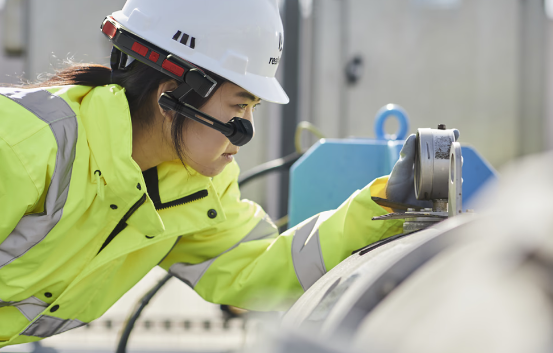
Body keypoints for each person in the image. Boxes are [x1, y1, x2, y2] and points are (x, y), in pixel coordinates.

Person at [0, 0, 406, 348]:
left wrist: (388, 202)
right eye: (237, 109)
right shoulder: (23, 147)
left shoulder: (190, 189)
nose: (245, 132)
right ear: (170, 98)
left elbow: (260, 267)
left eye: (253, 109)